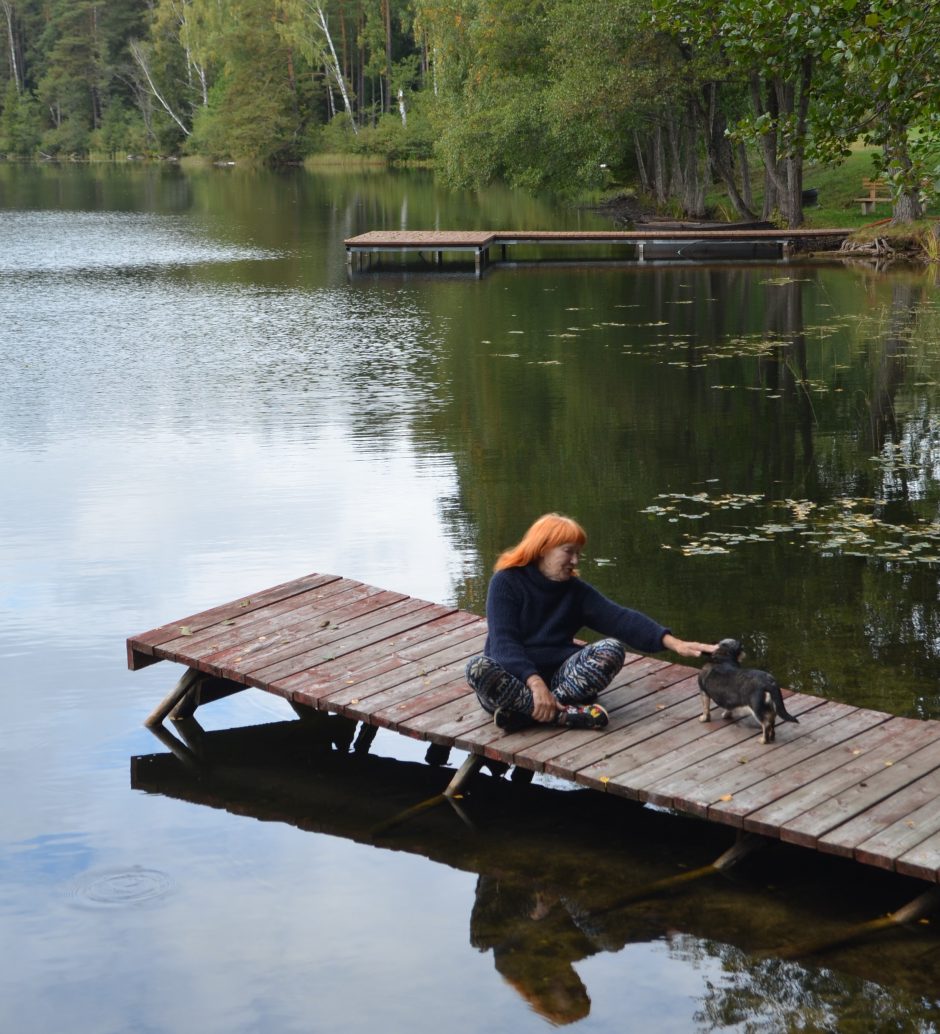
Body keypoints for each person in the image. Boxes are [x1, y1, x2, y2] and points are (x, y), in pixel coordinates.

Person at [466, 513, 718, 731]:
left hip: (559, 680)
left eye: (578, 553)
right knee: (477, 668)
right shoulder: (506, 582)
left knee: (611, 649)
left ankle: (529, 713)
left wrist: (676, 644)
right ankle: (559, 712)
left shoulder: (576, 592)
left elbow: (621, 620)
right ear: (543, 548)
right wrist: (534, 682)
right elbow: (503, 644)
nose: (575, 561)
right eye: (568, 551)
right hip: (514, 680)